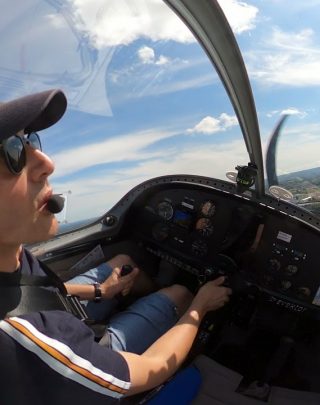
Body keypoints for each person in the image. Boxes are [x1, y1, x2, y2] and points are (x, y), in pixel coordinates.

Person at [0, 89, 232, 403]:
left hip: (57, 313)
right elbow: (150, 369)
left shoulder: (9, 250)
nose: (47, 163)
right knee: (179, 293)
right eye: (12, 152)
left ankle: (131, 300)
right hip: (79, 348)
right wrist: (199, 307)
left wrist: (101, 292)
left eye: (30, 141)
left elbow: (36, 287)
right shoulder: (23, 340)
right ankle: (172, 302)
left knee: (123, 260)